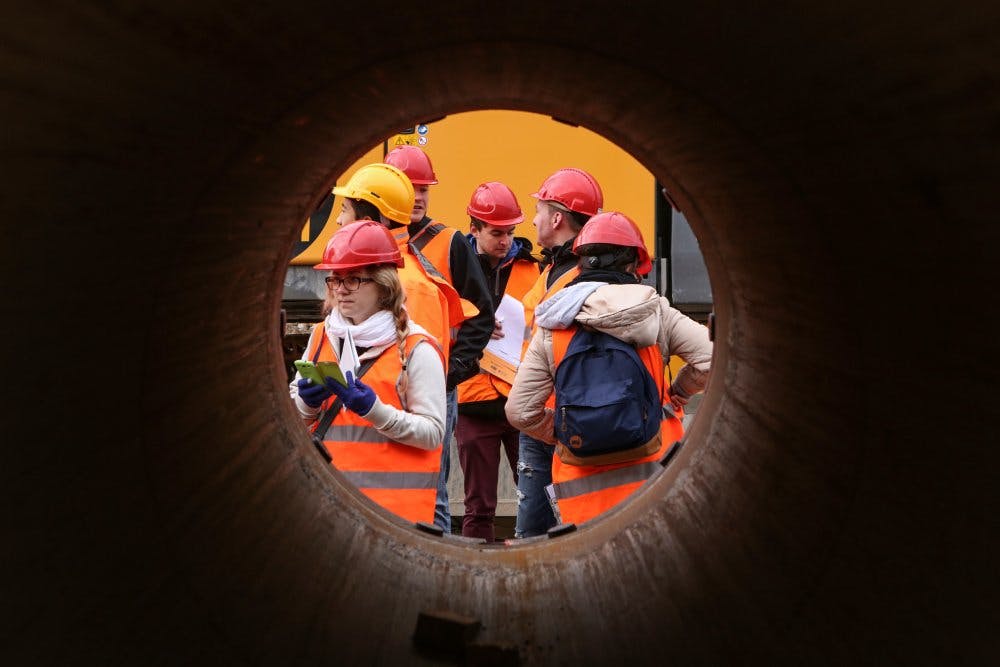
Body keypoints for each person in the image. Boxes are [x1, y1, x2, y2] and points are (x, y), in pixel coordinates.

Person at [505, 211, 713, 526]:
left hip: (582, 505)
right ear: (632, 266)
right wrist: (679, 392)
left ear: (581, 263)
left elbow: (519, 411)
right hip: (655, 486)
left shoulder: (553, 323)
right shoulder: (655, 311)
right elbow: (712, 359)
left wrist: (566, 431)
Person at [289, 220, 447, 524]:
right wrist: (306, 404)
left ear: (384, 285)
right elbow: (294, 421)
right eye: (335, 280)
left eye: (353, 280)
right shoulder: (321, 335)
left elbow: (432, 434)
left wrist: (374, 410)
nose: (340, 290)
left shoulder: (418, 348)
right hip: (327, 511)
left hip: (395, 519)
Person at [384, 145, 494, 532]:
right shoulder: (375, 241)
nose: (418, 197)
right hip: (381, 381)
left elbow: (481, 315)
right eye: (409, 187)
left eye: (424, 189)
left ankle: (436, 551)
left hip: (435, 383)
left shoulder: (450, 242)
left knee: (433, 488)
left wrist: (453, 371)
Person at [513, 167, 604, 538]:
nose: (533, 220)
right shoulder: (553, 269)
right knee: (535, 531)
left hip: (565, 422)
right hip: (541, 418)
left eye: (539, 210)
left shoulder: (582, 276)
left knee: (566, 530)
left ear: (556, 219)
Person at [455, 182, 540, 541]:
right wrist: (473, 327)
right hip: (473, 403)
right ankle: (474, 568)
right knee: (478, 507)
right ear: (474, 229)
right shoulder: (452, 269)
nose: (505, 241)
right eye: (496, 233)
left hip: (522, 402)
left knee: (538, 499)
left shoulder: (533, 270)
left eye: (510, 232)